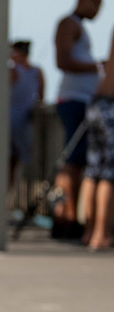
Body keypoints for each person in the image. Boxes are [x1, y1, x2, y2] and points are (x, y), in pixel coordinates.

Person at [53, 0, 102, 239]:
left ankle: (67, 216)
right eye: (96, 3)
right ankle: (66, 217)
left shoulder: (76, 26)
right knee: (72, 163)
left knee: (75, 163)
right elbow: (62, 61)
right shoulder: (68, 24)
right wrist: (99, 66)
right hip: (74, 100)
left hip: (80, 100)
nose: (98, 10)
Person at [79, 27, 114, 251]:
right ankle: (102, 234)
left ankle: (89, 231)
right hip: (111, 106)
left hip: (98, 101)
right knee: (109, 173)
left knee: (93, 171)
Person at [9, 40, 45, 187]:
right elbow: (40, 97)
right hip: (26, 122)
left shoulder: (13, 70)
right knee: (20, 160)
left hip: (14, 121)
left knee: (12, 161)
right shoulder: (37, 72)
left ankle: (9, 194)